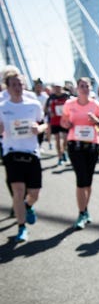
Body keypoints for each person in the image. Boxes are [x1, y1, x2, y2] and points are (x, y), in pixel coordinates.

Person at [0, 72, 47, 242]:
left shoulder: (33, 105)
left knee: (34, 193)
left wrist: (38, 129)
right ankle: (22, 228)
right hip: (12, 152)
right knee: (18, 191)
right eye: (13, 85)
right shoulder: (2, 107)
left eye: (20, 84)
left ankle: (28, 206)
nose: (17, 88)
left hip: (31, 152)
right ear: (8, 87)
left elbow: (44, 124)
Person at [61, 78, 99, 230]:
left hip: (92, 146)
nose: (84, 88)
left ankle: (85, 210)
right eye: (81, 86)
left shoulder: (96, 105)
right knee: (81, 179)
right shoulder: (70, 104)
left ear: (90, 88)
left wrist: (96, 121)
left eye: (87, 86)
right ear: (77, 88)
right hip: (75, 146)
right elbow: (63, 121)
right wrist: (66, 124)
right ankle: (81, 213)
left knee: (88, 181)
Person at [45, 81, 71, 165]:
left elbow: (72, 106)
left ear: (62, 88)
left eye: (59, 87)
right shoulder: (51, 97)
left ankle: (64, 151)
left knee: (66, 139)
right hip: (55, 121)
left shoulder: (66, 96)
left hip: (64, 120)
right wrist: (50, 113)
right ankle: (59, 157)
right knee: (57, 140)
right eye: (55, 87)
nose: (57, 89)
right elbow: (46, 108)